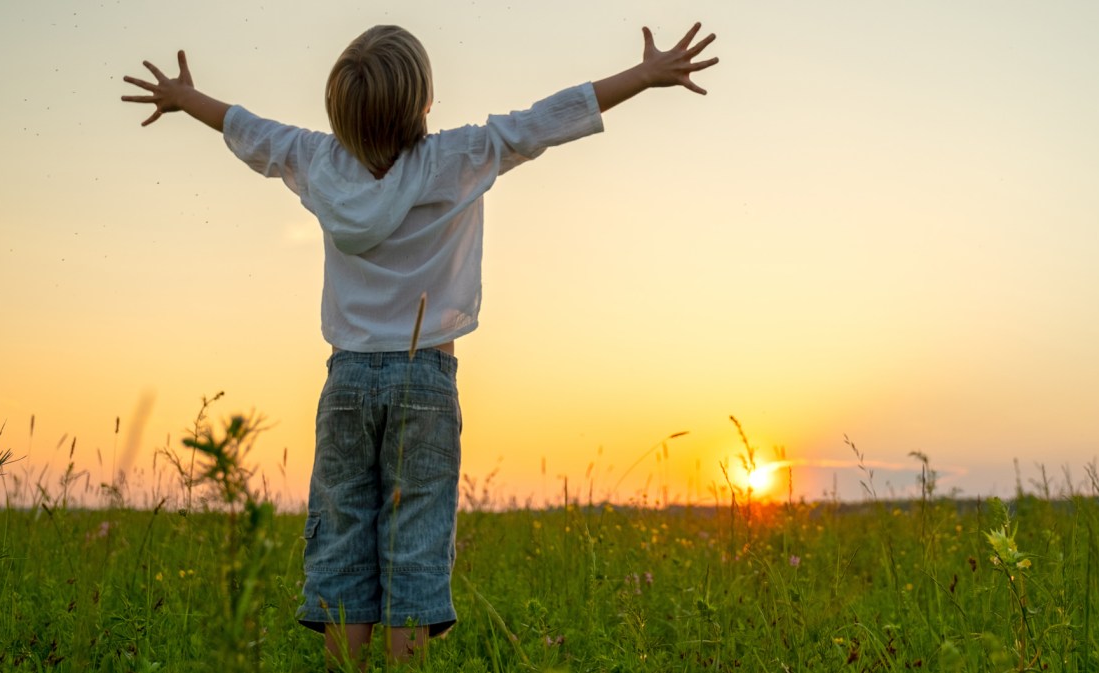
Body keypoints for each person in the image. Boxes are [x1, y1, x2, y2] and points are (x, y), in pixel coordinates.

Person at [122, 21, 717, 669]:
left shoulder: (317, 162)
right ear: (425, 99)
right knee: (415, 547)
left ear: (338, 109)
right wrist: (645, 75)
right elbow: (547, 120)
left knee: (343, 538)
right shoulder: (458, 157)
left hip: (346, 383)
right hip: (427, 380)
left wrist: (185, 97)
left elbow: (247, 129)